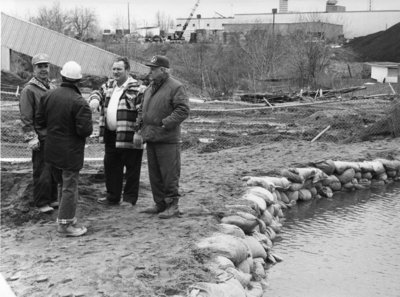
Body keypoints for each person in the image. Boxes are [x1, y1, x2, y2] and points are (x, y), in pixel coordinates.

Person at [36, 61, 93, 237]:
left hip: (52, 150)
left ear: (62, 76)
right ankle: (65, 225)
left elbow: (39, 121)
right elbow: (85, 130)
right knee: (69, 187)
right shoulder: (80, 102)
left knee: (62, 185)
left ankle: (64, 217)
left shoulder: (48, 96)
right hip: (70, 153)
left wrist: (50, 137)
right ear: (79, 80)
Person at [139, 55, 190, 219]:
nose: (150, 72)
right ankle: (159, 203)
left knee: (169, 174)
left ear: (163, 70)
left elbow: (182, 110)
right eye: (150, 69)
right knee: (155, 174)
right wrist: (141, 125)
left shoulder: (176, 87)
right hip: (151, 137)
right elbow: (143, 109)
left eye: (153, 69)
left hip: (167, 139)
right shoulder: (150, 87)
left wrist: (165, 123)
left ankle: (172, 205)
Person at [88, 57, 143, 206]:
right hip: (111, 135)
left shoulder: (138, 88)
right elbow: (97, 92)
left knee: (132, 168)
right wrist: (94, 99)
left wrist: (139, 132)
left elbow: (142, 112)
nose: (116, 72)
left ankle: (129, 199)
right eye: (114, 69)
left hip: (129, 135)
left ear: (127, 70)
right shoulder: (109, 85)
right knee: (111, 166)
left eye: (119, 69)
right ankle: (113, 197)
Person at [19, 53, 58, 213]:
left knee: (54, 169)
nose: (43, 69)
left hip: (54, 136)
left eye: (45, 66)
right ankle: (42, 202)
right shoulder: (29, 90)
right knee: (41, 170)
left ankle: (53, 198)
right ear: (33, 68)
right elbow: (26, 116)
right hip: (40, 137)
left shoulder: (53, 87)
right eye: (39, 66)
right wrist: (31, 137)